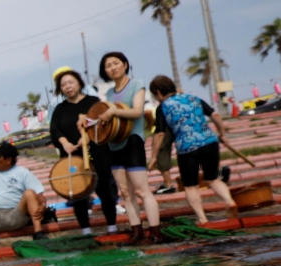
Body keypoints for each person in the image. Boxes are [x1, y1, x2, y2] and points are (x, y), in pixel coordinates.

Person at [85, 52, 162, 244]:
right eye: (108, 65)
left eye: (116, 63)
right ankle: (136, 231)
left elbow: (137, 112)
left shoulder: (137, 84)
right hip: (114, 144)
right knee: (125, 193)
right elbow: (105, 120)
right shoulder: (109, 94)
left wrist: (113, 111)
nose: (112, 67)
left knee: (142, 191)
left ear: (125, 64)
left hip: (133, 142)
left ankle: (155, 232)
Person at [149, 75, 239, 224]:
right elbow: (215, 114)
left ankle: (203, 219)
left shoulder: (163, 107)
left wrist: (153, 156)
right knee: (213, 179)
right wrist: (222, 133)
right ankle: (229, 201)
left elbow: (160, 133)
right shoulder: (192, 98)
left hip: (187, 148)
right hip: (210, 142)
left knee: (190, 186)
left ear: (158, 92)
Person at [49, 69, 119, 235]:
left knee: (105, 189)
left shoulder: (93, 102)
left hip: (97, 152)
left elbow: (104, 125)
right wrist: (65, 143)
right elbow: (55, 130)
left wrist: (87, 137)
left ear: (79, 83)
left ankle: (112, 226)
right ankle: (86, 230)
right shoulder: (60, 109)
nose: (67, 87)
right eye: (63, 85)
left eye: (70, 82)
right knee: (78, 192)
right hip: (73, 156)